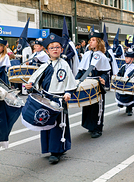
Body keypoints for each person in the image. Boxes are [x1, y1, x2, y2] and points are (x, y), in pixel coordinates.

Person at [25, 33, 77, 164]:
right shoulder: (44, 65)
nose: (55, 49)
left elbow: (70, 82)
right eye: (52, 47)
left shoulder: (64, 64)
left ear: (61, 49)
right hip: (46, 99)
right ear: (47, 51)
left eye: (57, 47)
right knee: (46, 124)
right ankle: (49, 147)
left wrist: (68, 93)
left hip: (59, 99)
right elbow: (35, 81)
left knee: (58, 125)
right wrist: (30, 86)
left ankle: (57, 151)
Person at [75, 30, 110, 138]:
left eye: (93, 40)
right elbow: (81, 71)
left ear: (99, 42)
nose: (90, 42)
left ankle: (97, 128)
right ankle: (90, 125)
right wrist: (75, 81)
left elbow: (106, 72)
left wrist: (103, 79)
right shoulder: (86, 54)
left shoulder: (102, 56)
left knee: (97, 107)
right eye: (90, 40)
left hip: (97, 83)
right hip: (87, 83)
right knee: (88, 105)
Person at [115, 48, 134, 116]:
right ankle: (122, 104)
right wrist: (117, 76)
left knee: (129, 97)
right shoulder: (123, 66)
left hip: (129, 85)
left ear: (132, 59)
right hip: (123, 84)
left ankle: (129, 109)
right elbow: (119, 73)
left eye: (127, 58)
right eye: (125, 57)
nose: (125, 59)